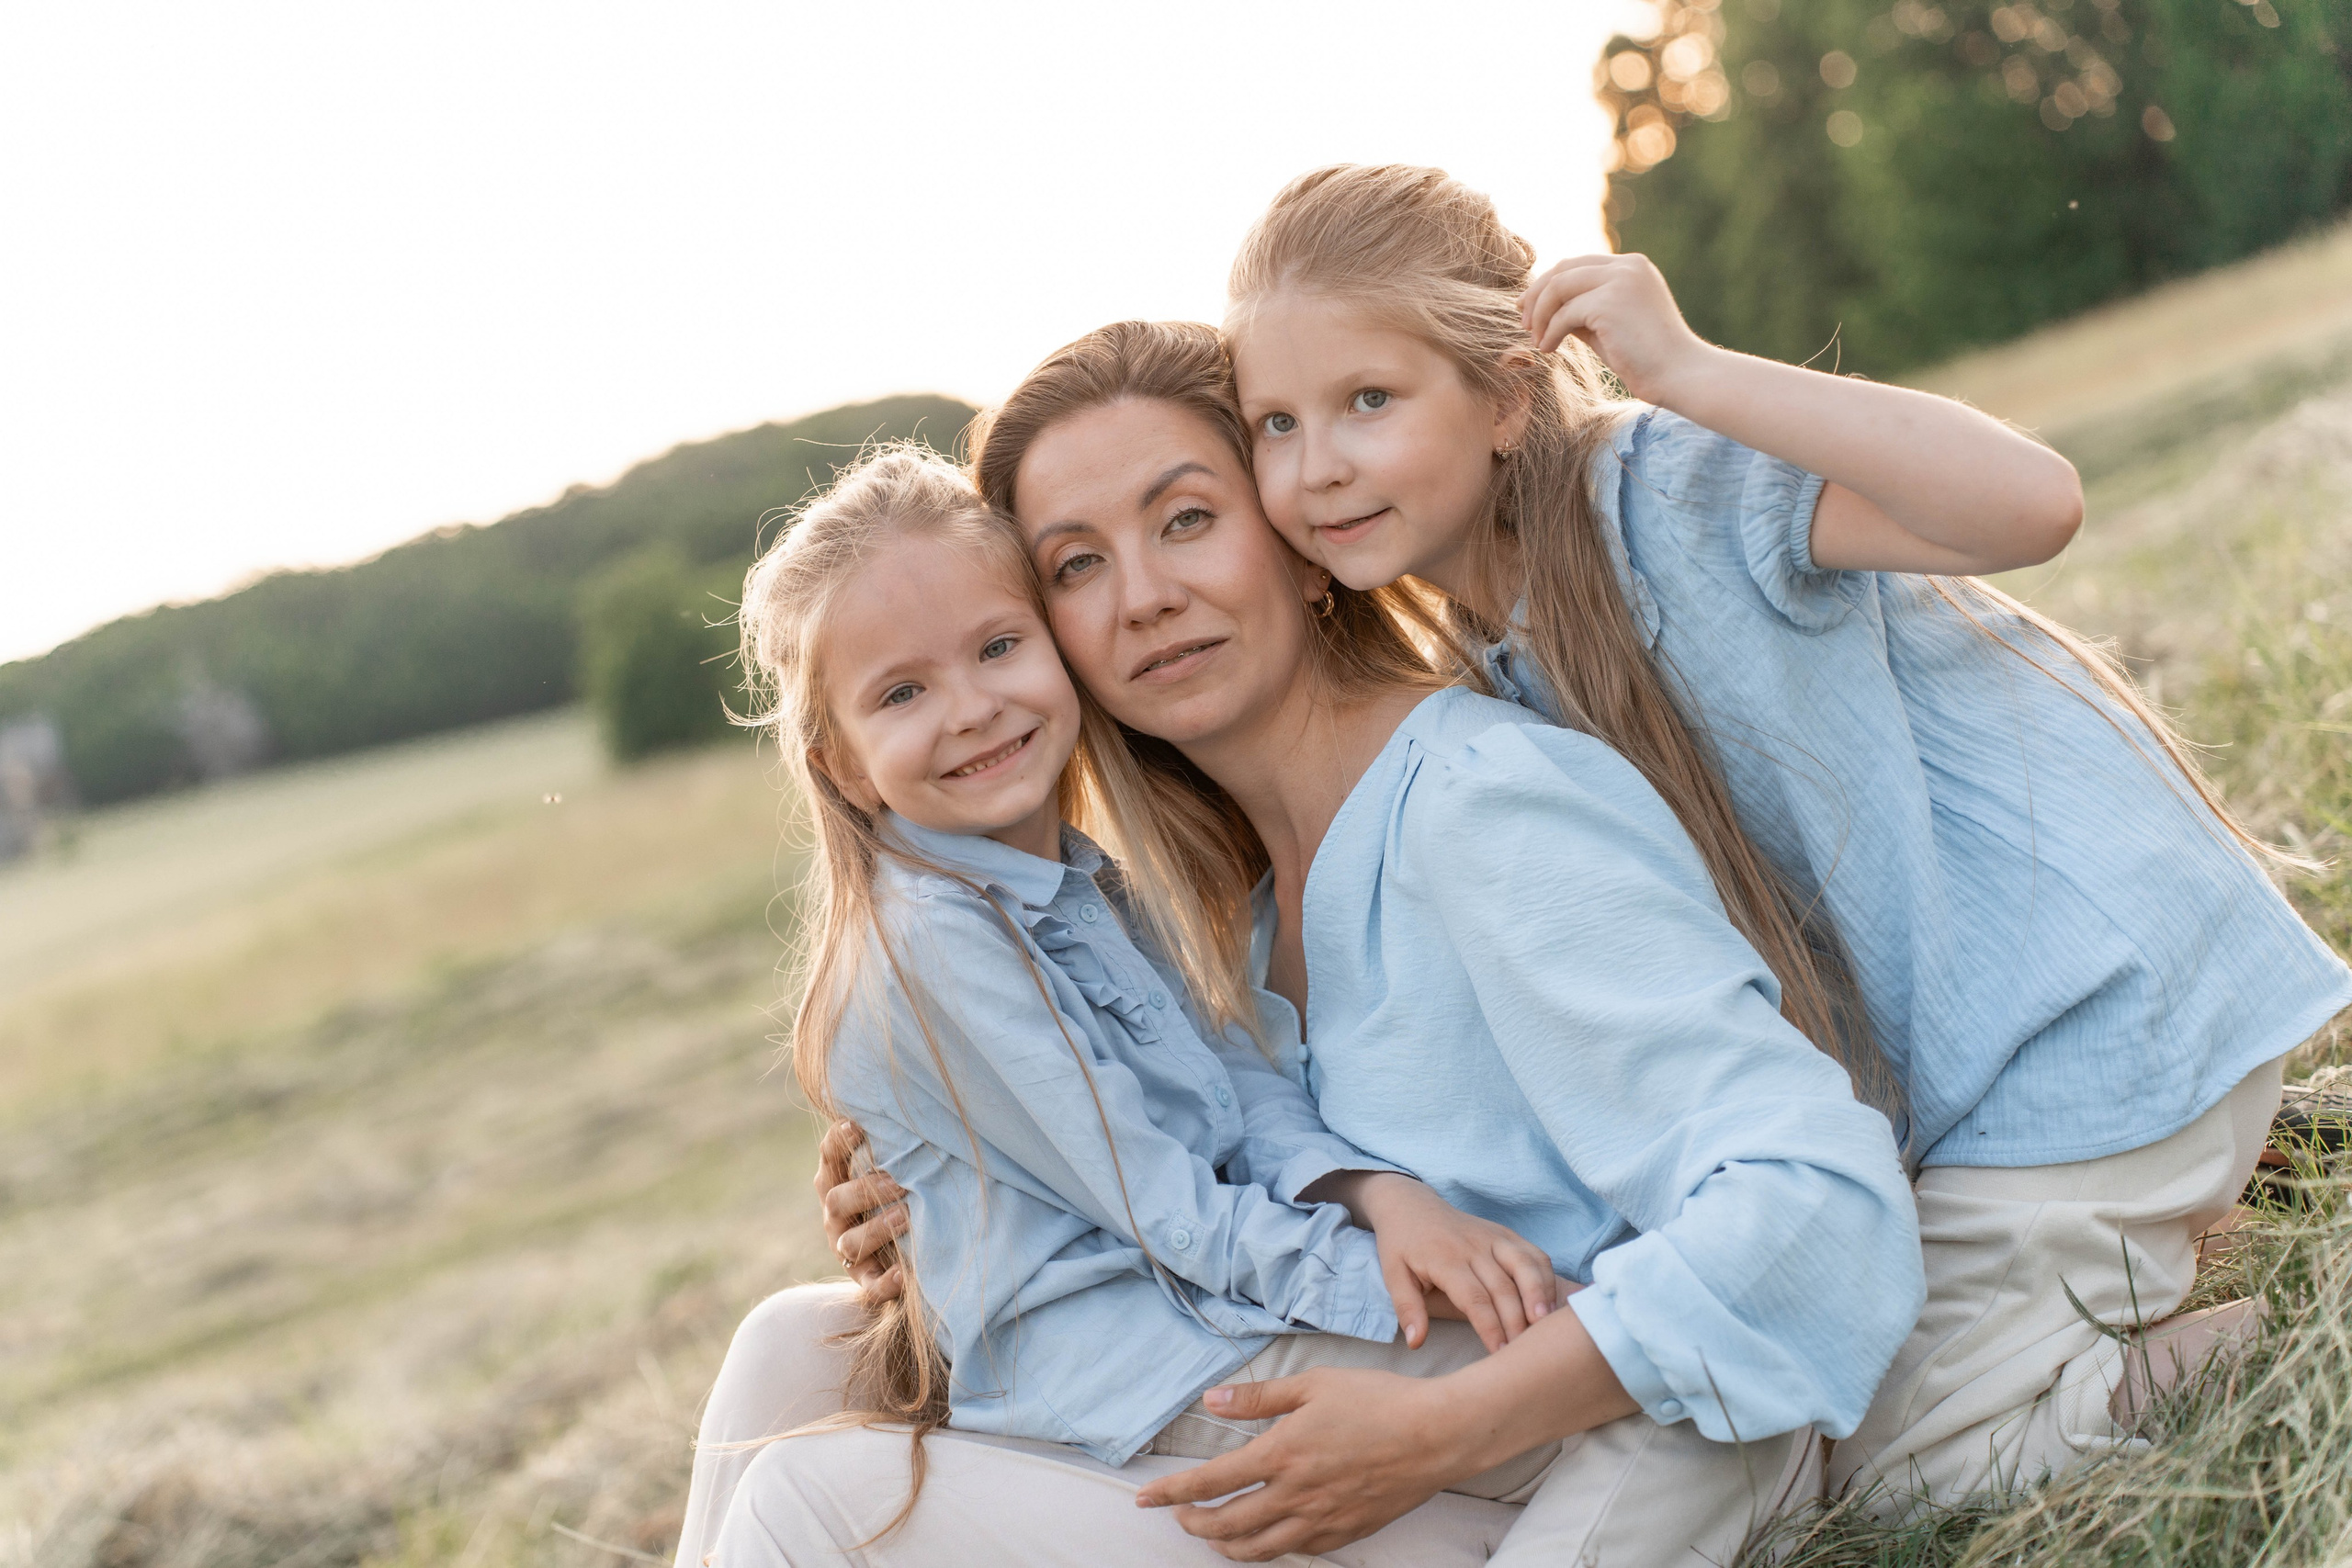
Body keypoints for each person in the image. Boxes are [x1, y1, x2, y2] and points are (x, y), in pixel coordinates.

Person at [1213, 163, 2352, 1506]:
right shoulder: (1487, 663)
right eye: (1275, 423)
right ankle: (2256, 1165)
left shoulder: (1662, 491)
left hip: (2089, 1019)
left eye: (1368, 402)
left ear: (1508, 394)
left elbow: (2030, 504)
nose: (1317, 463)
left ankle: (2284, 1327)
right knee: (1828, 1356)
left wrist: (1688, 368)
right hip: (2000, 1073)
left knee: (1906, 1456)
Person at [702, 321, 1921, 1568]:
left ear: (1299, 540)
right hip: (1279, 1382)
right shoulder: (1213, 904)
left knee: (810, 1498)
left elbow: (1806, 1202)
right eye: (1076, 564)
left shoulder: (1479, 806)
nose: (1144, 595)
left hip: (1534, 1398)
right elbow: (1160, 1146)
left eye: (1186, 519)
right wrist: (952, 1174)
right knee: (792, 1351)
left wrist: (1442, 1417)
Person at [703, 441, 1573, 1546]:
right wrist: (1381, 1287)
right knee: (1565, 1372)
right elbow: (1162, 1204)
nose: (971, 708)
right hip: (1137, 1366)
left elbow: (1241, 1082)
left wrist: (1379, 1200)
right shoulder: (934, 940)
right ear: (843, 765)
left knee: (1552, 1391)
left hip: (1199, 1317)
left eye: (999, 647)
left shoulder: (1087, 882)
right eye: (905, 691)